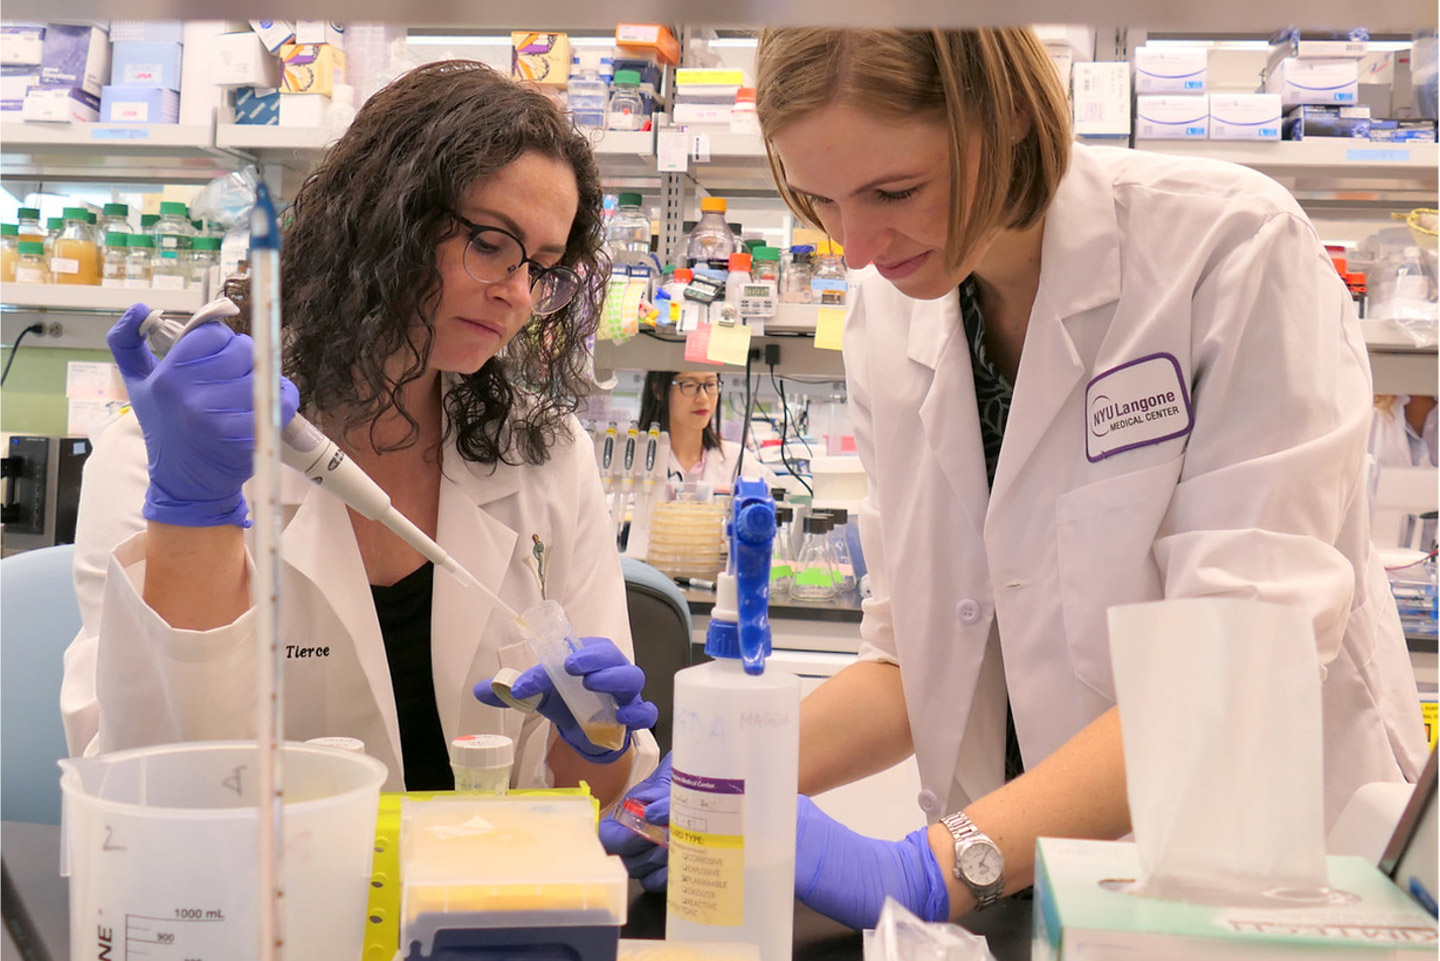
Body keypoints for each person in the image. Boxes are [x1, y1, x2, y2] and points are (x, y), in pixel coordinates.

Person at [601, 27, 1427, 927]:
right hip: (1013, 884)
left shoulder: (1230, 251)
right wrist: (718, 773)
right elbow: (914, 663)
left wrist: (930, 866)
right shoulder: (890, 314)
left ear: (1005, 117)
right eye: (818, 199)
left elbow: (1234, 671)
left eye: (894, 191)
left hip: (1247, 888)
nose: (856, 248)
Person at [61, 61, 659, 802]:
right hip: (275, 902)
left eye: (540, 266)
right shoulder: (164, 456)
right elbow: (134, 786)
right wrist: (191, 515)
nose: (516, 292)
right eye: (490, 243)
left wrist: (600, 738)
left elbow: (598, 793)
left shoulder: (545, 454)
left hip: (485, 893)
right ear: (390, 216)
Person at [636, 369, 776, 490]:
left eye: (710, 384)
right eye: (689, 385)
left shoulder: (737, 461)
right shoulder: (634, 459)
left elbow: (782, 495)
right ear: (658, 390)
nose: (703, 398)